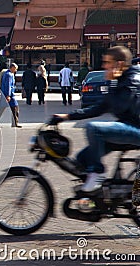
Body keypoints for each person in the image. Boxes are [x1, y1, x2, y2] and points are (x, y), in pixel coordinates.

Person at [50, 46, 140, 193]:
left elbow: (121, 105)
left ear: (119, 64)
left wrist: (112, 81)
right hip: (126, 126)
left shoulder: (133, 80)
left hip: (136, 129)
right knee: (82, 158)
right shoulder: (122, 79)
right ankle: (96, 200)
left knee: (93, 128)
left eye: (107, 62)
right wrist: (67, 116)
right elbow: (99, 108)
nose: (104, 66)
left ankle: (97, 173)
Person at [0, 62, 21, 128]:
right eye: (15, 69)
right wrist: (8, 95)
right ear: (12, 68)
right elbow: (8, 86)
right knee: (15, 108)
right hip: (9, 95)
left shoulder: (6, 74)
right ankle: (15, 123)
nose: (16, 70)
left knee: (3, 108)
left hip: (5, 94)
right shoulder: (9, 75)